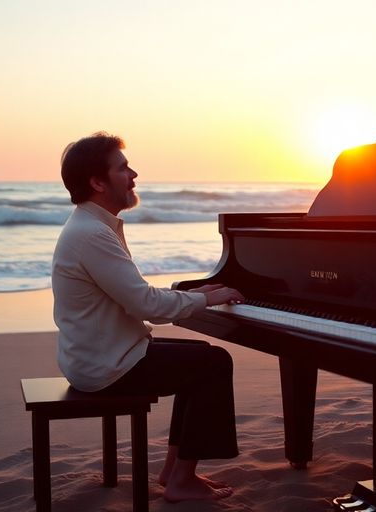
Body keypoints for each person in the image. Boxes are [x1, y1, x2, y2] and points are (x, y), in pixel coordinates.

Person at [51, 131, 245, 503]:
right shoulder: (92, 234)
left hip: (97, 354)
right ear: (97, 182)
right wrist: (205, 300)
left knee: (201, 356)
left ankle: (175, 472)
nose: (134, 174)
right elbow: (147, 306)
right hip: (105, 365)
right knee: (214, 362)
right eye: (123, 168)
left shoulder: (91, 226)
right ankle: (181, 480)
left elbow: (132, 297)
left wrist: (194, 295)